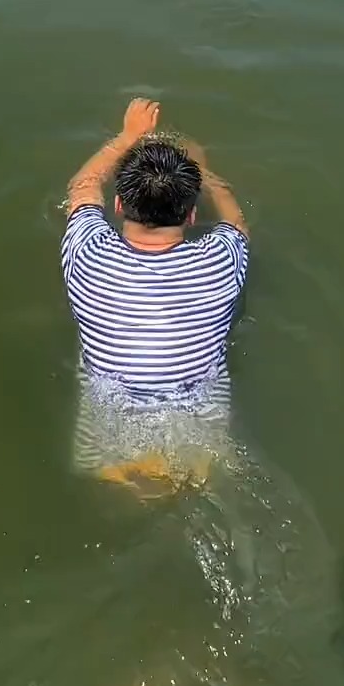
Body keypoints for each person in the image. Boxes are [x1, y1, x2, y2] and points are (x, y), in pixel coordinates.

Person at [61, 98, 249, 493]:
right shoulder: (221, 260)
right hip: (200, 443)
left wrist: (128, 136)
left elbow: (82, 186)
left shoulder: (86, 254)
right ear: (192, 215)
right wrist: (206, 174)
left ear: (117, 205)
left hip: (109, 448)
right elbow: (236, 224)